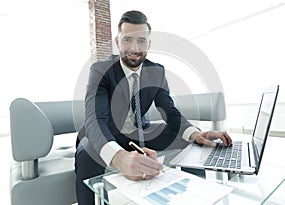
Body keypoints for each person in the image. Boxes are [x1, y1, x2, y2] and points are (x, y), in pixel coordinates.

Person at [75, 10, 232, 205]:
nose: (134, 47)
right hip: (106, 133)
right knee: (86, 152)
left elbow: (170, 112)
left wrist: (194, 134)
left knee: (190, 141)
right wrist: (119, 157)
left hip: (139, 132)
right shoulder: (100, 70)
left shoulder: (156, 71)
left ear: (148, 43)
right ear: (117, 42)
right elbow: (95, 120)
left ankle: (194, 197)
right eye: (128, 40)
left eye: (141, 40)